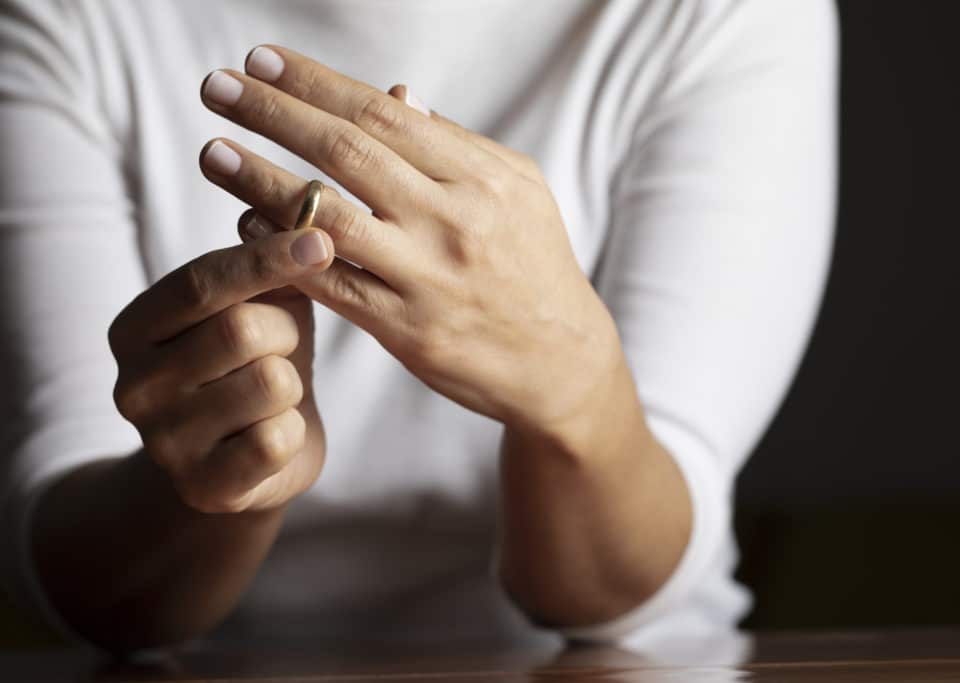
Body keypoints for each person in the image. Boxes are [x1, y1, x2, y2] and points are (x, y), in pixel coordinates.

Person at [0, 0, 837, 653]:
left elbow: (615, 591)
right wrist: (237, 476)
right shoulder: (72, 19)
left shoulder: (717, 16)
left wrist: (577, 397)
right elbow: (86, 579)